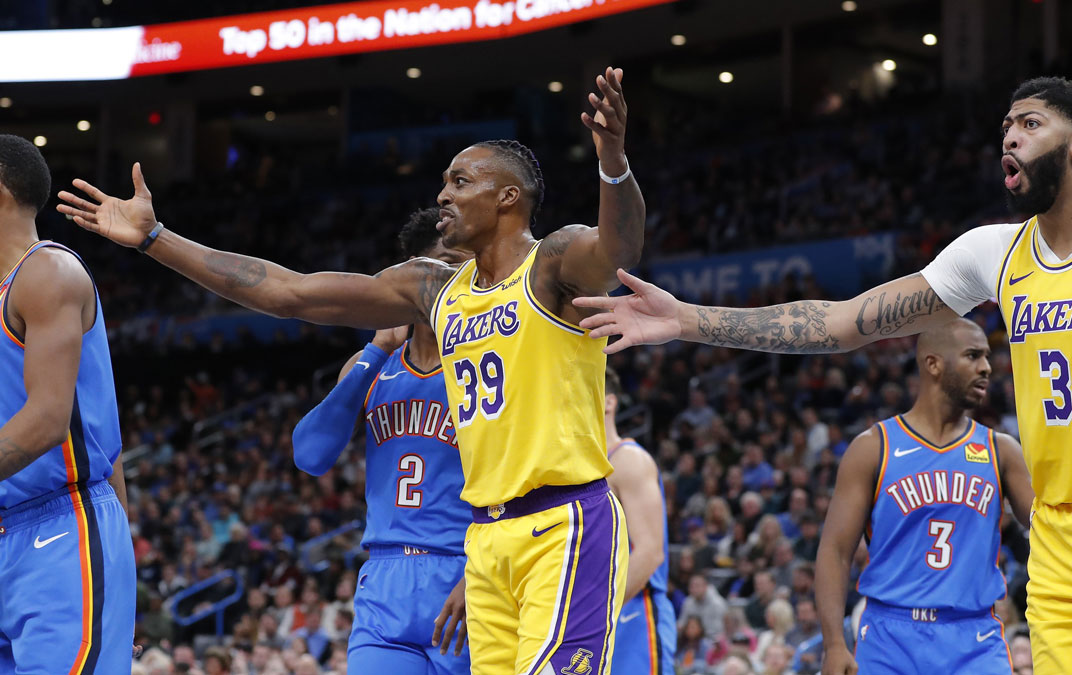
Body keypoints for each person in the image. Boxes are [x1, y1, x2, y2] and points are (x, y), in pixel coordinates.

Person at [575, 76, 1072, 672]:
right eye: (1005, 126)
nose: (1009, 137)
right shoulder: (996, 252)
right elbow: (844, 323)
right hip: (1059, 539)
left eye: (1030, 124)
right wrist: (686, 319)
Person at [59, 66, 644, 675]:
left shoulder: (551, 264)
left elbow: (619, 252)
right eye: (444, 182)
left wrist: (612, 162)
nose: (442, 195)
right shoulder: (434, 288)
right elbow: (291, 293)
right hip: (484, 540)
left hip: (562, 521)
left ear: (507, 197)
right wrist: (156, 237)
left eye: (460, 181)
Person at [291, 208, 472, 673]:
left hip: (465, 572)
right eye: (446, 264)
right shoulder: (374, 365)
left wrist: (481, 575)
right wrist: (375, 351)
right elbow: (310, 456)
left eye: (467, 266)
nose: (458, 278)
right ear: (410, 277)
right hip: (384, 578)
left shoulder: (489, 366)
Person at [814, 319, 1034, 673]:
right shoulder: (874, 448)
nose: (986, 367)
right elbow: (835, 552)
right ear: (933, 364)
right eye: (973, 356)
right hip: (889, 635)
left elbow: (1047, 525)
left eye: (987, 358)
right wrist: (834, 644)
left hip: (974, 637)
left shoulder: (1001, 450)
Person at [0, 134, 136, 673]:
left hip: (60, 533)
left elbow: (49, 420)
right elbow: (113, 441)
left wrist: (117, 571)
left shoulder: (48, 271)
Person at [603, 368, 676, 674]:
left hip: (633, 609)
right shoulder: (571, 467)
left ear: (609, 402)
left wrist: (598, 611)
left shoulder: (628, 459)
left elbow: (649, 553)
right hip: (593, 609)